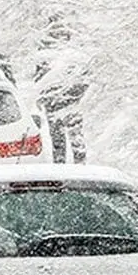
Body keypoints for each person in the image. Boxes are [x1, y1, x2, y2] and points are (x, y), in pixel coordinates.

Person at [34, 14, 87, 164]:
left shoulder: (47, 52)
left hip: (59, 100)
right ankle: (77, 162)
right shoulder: (74, 51)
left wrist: (42, 96)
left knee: (59, 136)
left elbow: (39, 78)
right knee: (72, 134)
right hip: (68, 100)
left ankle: (63, 162)